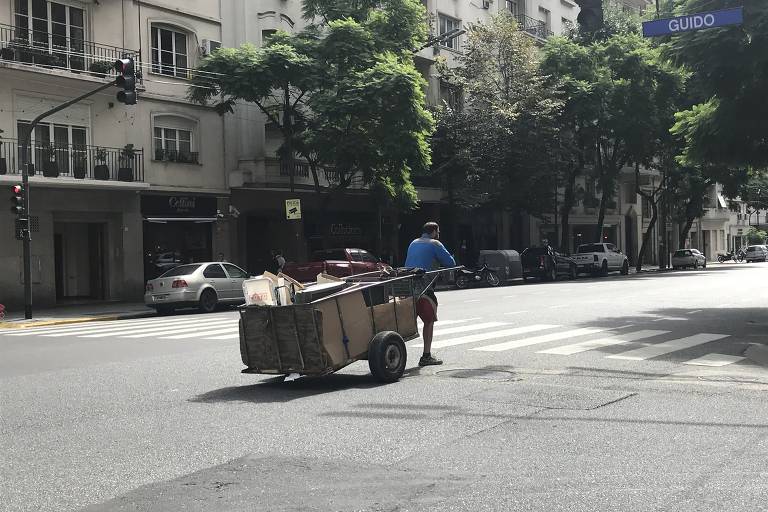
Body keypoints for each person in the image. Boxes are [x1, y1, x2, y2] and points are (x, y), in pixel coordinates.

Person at [404, 221, 456, 367]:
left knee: (406, 321)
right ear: (433, 232)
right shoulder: (435, 244)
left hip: (407, 287)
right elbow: (451, 263)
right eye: (438, 232)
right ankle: (426, 355)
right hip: (424, 288)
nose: (438, 235)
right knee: (429, 321)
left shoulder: (413, 242)